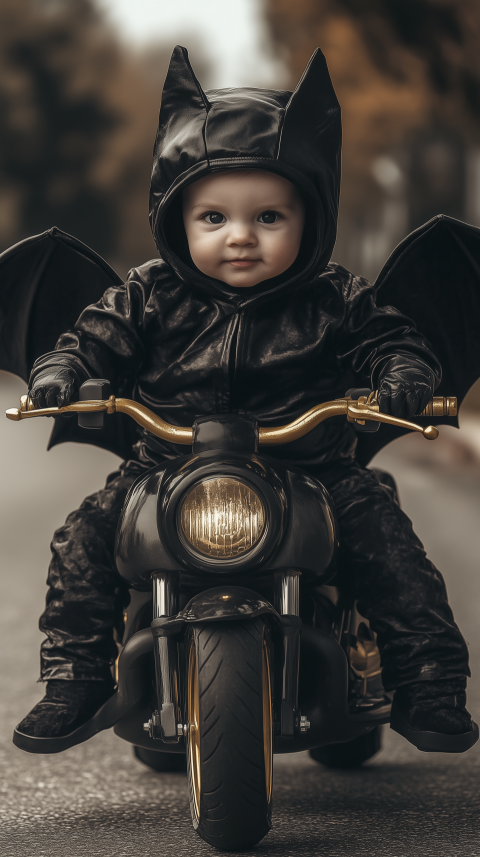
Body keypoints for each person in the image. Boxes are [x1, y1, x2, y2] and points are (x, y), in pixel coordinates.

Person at [15, 46, 476, 750]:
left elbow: (391, 341)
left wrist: (404, 373)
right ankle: (74, 678)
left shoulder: (337, 299)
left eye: (268, 217)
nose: (240, 236)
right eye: (213, 219)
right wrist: (64, 367)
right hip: (166, 464)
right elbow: (93, 335)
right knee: (84, 536)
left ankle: (429, 681)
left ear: (309, 216)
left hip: (315, 465)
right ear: (176, 219)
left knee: (388, 540)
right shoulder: (147, 295)